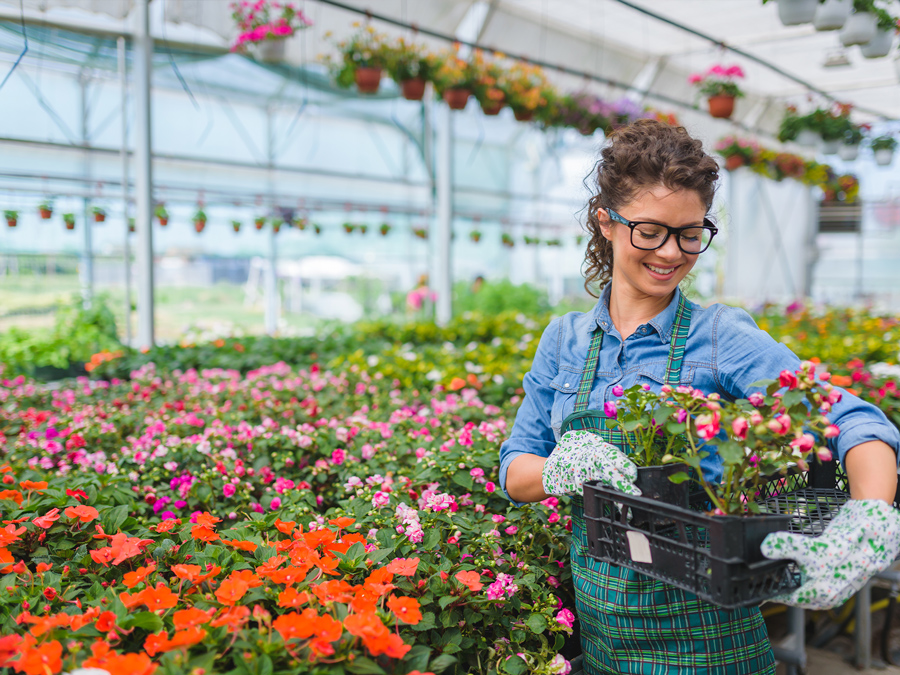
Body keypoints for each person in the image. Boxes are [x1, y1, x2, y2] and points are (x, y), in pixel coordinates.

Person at [498, 119, 900, 674]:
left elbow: (854, 420)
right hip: (603, 645)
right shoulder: (564, 341)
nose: (672, 252)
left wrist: (869, 520)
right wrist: (557, 469)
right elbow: (514, 468)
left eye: (690, 233)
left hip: (710, 647)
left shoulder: (718, 338)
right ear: (606, 223)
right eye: (650, 231)